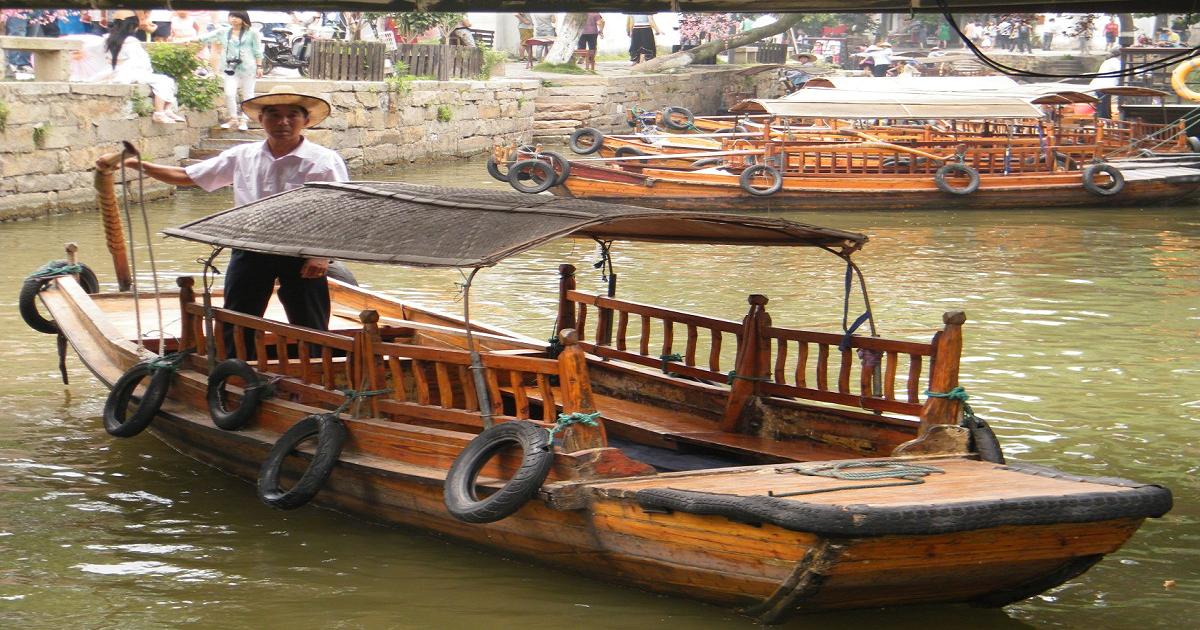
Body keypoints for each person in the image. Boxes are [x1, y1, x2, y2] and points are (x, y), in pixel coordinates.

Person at [105, 87, 349, 346]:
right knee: (236, 319)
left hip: (301, 250)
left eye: (292, 115)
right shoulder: (243, 155)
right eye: (274, 115)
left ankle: (315, 372)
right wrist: (135, 165)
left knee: (310, 323)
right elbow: (188, 177)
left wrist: (321, 254)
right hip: (250, 245)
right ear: (260, 119)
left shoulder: (323, 161)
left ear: (306, 121)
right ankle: (235, 375)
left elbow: (339, 209)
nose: (283, 122)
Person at [89, 17, 185, 124]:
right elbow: (139, 60)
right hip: (130, 71)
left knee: (165, 80)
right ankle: (159, 112)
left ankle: (167, 110)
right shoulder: (130, 41)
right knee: (164, 81)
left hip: (115, 71)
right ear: (133, 28)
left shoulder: (108, 38)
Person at [199, 11, 262, 131]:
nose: (233, 19)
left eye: (237, 17)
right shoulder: (223, 31)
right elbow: (205, 38)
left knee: (248, 94)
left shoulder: (252, 33)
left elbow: (258, 51)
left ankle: (244, 119)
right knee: (229, 93)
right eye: (231, 17)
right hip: (230, 68)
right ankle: (233, 118)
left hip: (248, 68)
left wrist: (259, 66)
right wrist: (188, 41)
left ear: (243, 18)